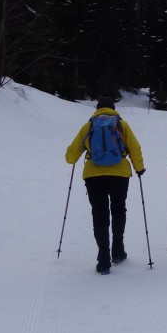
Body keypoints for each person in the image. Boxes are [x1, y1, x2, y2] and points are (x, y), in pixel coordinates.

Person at [65, 97, 146, 274]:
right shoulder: (122, 125)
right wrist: (139, 168)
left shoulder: (89, 126)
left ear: (97, 109)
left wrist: (73, 157)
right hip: (120, 174)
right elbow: (135, 147)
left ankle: (103, 259)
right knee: (118, 210)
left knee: (99, 213)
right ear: (113, 109)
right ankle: (117, 250)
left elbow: (71, 155)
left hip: (94, 175)